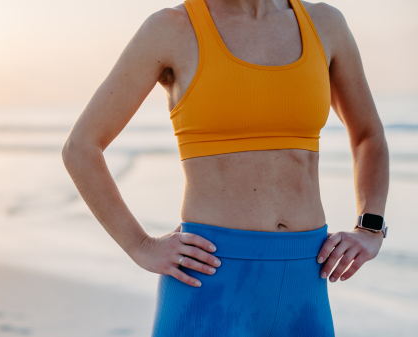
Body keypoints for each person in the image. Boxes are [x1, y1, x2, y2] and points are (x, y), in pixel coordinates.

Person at [62, 0, 389, 335]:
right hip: (209, 280)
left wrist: (370, 228)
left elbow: (368, 135)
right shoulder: (172, 28)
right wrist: (140, 246)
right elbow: (81, 147)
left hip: (305, 281)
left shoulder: (324, 23)